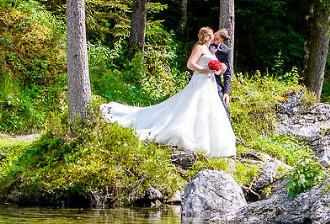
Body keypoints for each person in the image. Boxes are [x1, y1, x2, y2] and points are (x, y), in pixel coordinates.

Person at [100, 27, 236, 157]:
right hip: (199, 81)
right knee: (191, 106)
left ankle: (207, 140)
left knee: (207, 111)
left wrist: (221, 68)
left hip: (210, 84)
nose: (214, 38)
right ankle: (187, 135)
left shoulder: (210, 50)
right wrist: (205, 70)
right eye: (213, 35)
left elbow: (220, 70)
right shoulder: (199, 47)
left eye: (216, 37)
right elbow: (190, 64)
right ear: (208, 36)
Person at [212, 29, 233, 110]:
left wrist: (226, 92)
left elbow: (227, 72)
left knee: (221, 102)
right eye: (215, 35)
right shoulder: (205, 43)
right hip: (201, 75)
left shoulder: (226, 51)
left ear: (222, 41)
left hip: (215, 78)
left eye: (217, 39)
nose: (214, 39)